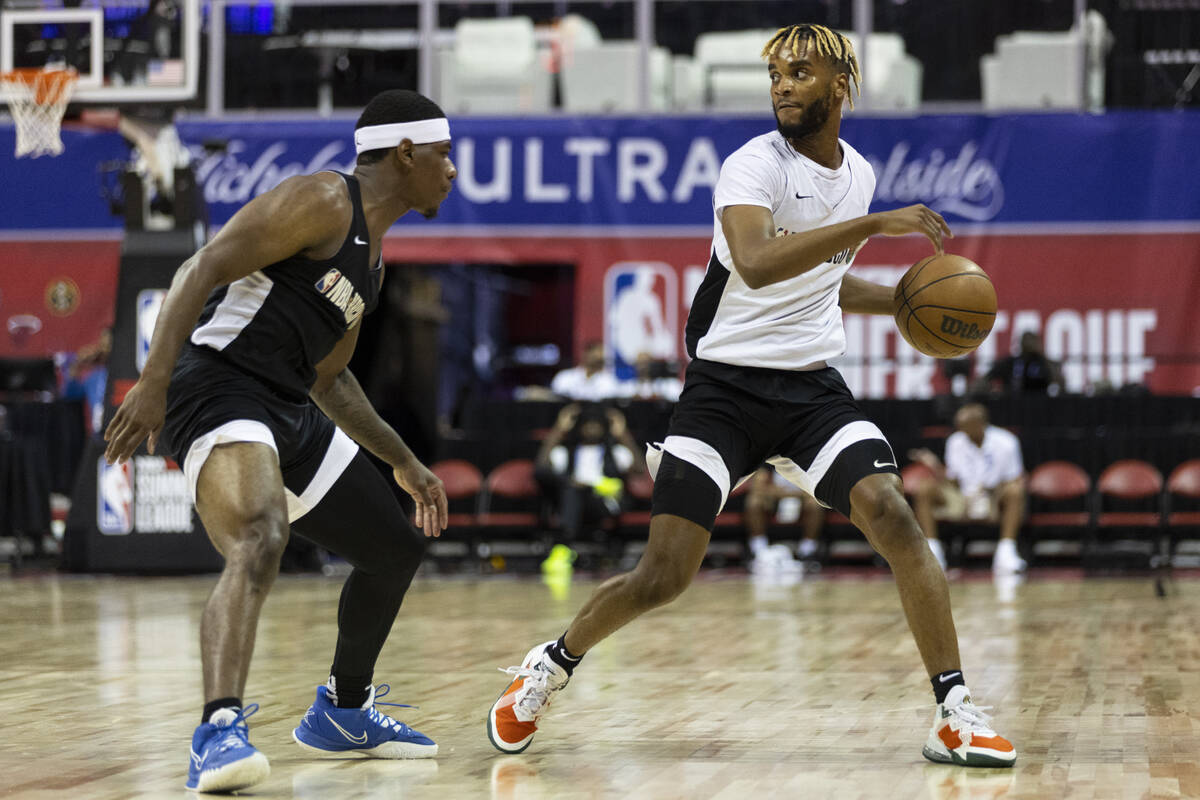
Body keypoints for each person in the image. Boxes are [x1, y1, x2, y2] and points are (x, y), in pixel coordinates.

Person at [486, 24, 1015, 769]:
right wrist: (874, 225)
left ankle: (954, 710)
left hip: (810, 391)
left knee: (893, 514)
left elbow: (822, 282)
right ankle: (550, 663)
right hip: (722, 391)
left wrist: (902, 301)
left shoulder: (854, 173)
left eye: (799, 72)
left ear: (840, 85)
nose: (782, 85)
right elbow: (760, 264)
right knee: (663, 575)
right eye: (774, 75)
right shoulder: (750, 166)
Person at [103, 90, 455, 793]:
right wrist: (153, 381)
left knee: (394, 548)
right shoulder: (324, 199)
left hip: (288, 406)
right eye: (445, 157)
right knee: (261, 535)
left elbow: (329, 380)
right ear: (408, 153)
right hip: (218, 384)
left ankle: (344, 710)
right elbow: (197, 269)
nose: (452, 172)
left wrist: (405, 463)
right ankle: (217, 730)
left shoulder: (373, 265)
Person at [909, 404, 1027, 575]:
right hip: (962, 495)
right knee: (925, 487)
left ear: (980, 424)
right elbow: (953, 479)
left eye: (965, 426)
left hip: (993, 493)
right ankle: (933, 553)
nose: (961, 430)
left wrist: (985, 494)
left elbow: (1014, 478)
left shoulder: (1007, 442)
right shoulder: (955, 441)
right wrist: (934, 465)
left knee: (1015, 491)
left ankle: (1006, 553)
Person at [535, 403, 642, 571]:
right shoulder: (567, 452)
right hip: (572, 500)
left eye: (596, 425)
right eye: (588, 425)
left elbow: (640, 469)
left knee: (575, 490)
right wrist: (559, 428)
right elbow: (541, 466)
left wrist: (623, 433)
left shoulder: (615, 452)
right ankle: (564, 549)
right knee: (572, 489)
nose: (592, 428)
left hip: (603, 503)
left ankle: (563, 546)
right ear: (580, 427)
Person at [743, 465, 823, 572]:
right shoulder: (770, 459)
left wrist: (788, 493)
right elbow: (758, 487)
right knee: (754, 502)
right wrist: (781, 493)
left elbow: (816, 487)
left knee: (814, 504)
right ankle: (758, 550)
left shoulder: (807, 459)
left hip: (801, 499)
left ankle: (808, 551)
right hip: (775, 501)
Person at [975, 331, 1062, 395]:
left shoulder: (1044, 363)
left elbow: (1059, 381)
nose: (1029, 345)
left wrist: (1042, 357)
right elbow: (986, 378)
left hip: (1039, 406)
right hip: (1012, 407)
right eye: (1026, 341)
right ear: (1021, 343)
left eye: (1032, 342)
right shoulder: (1010, 362)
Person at [549, 340, 621, 401]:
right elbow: (556, 399)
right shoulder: (564, 377)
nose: (597, 359)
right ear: (585, 355)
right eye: (594, 356)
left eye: (600, 359)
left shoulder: (608, 380)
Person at [619, 352, 684, 402]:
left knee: (665, 368)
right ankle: (677, 373)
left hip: (654, 369)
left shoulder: (637, 367)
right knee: (666, 372)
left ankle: (678, 366)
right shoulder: (635, 375)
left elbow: (640, 365)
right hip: (653, 373)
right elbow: (641, 378)